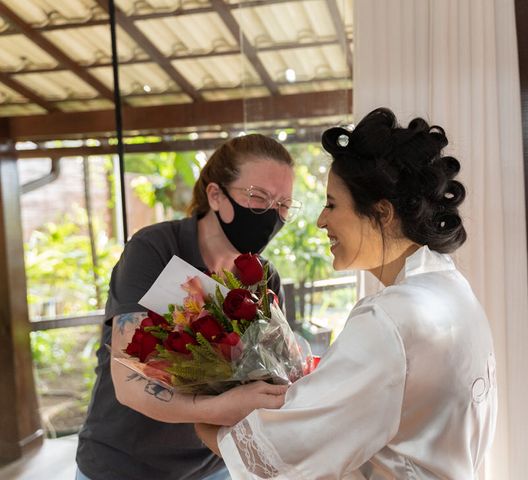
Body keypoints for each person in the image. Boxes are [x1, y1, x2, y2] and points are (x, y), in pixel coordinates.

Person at [195, 108, 498, 479]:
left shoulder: (391, 320)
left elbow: (286, 449)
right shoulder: (452, 289)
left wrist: (202, 417)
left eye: (332, 204)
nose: (322, 220)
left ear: (382, 212)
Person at [76, 134, 302, 480]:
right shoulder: (155, 250)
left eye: (284, 204)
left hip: (213, 464)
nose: (271, 215)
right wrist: (214, 408)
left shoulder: (261, 277)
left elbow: (272, 373)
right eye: (258, 197)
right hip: (123, 465)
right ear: (215, 195)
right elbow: (128, 379)